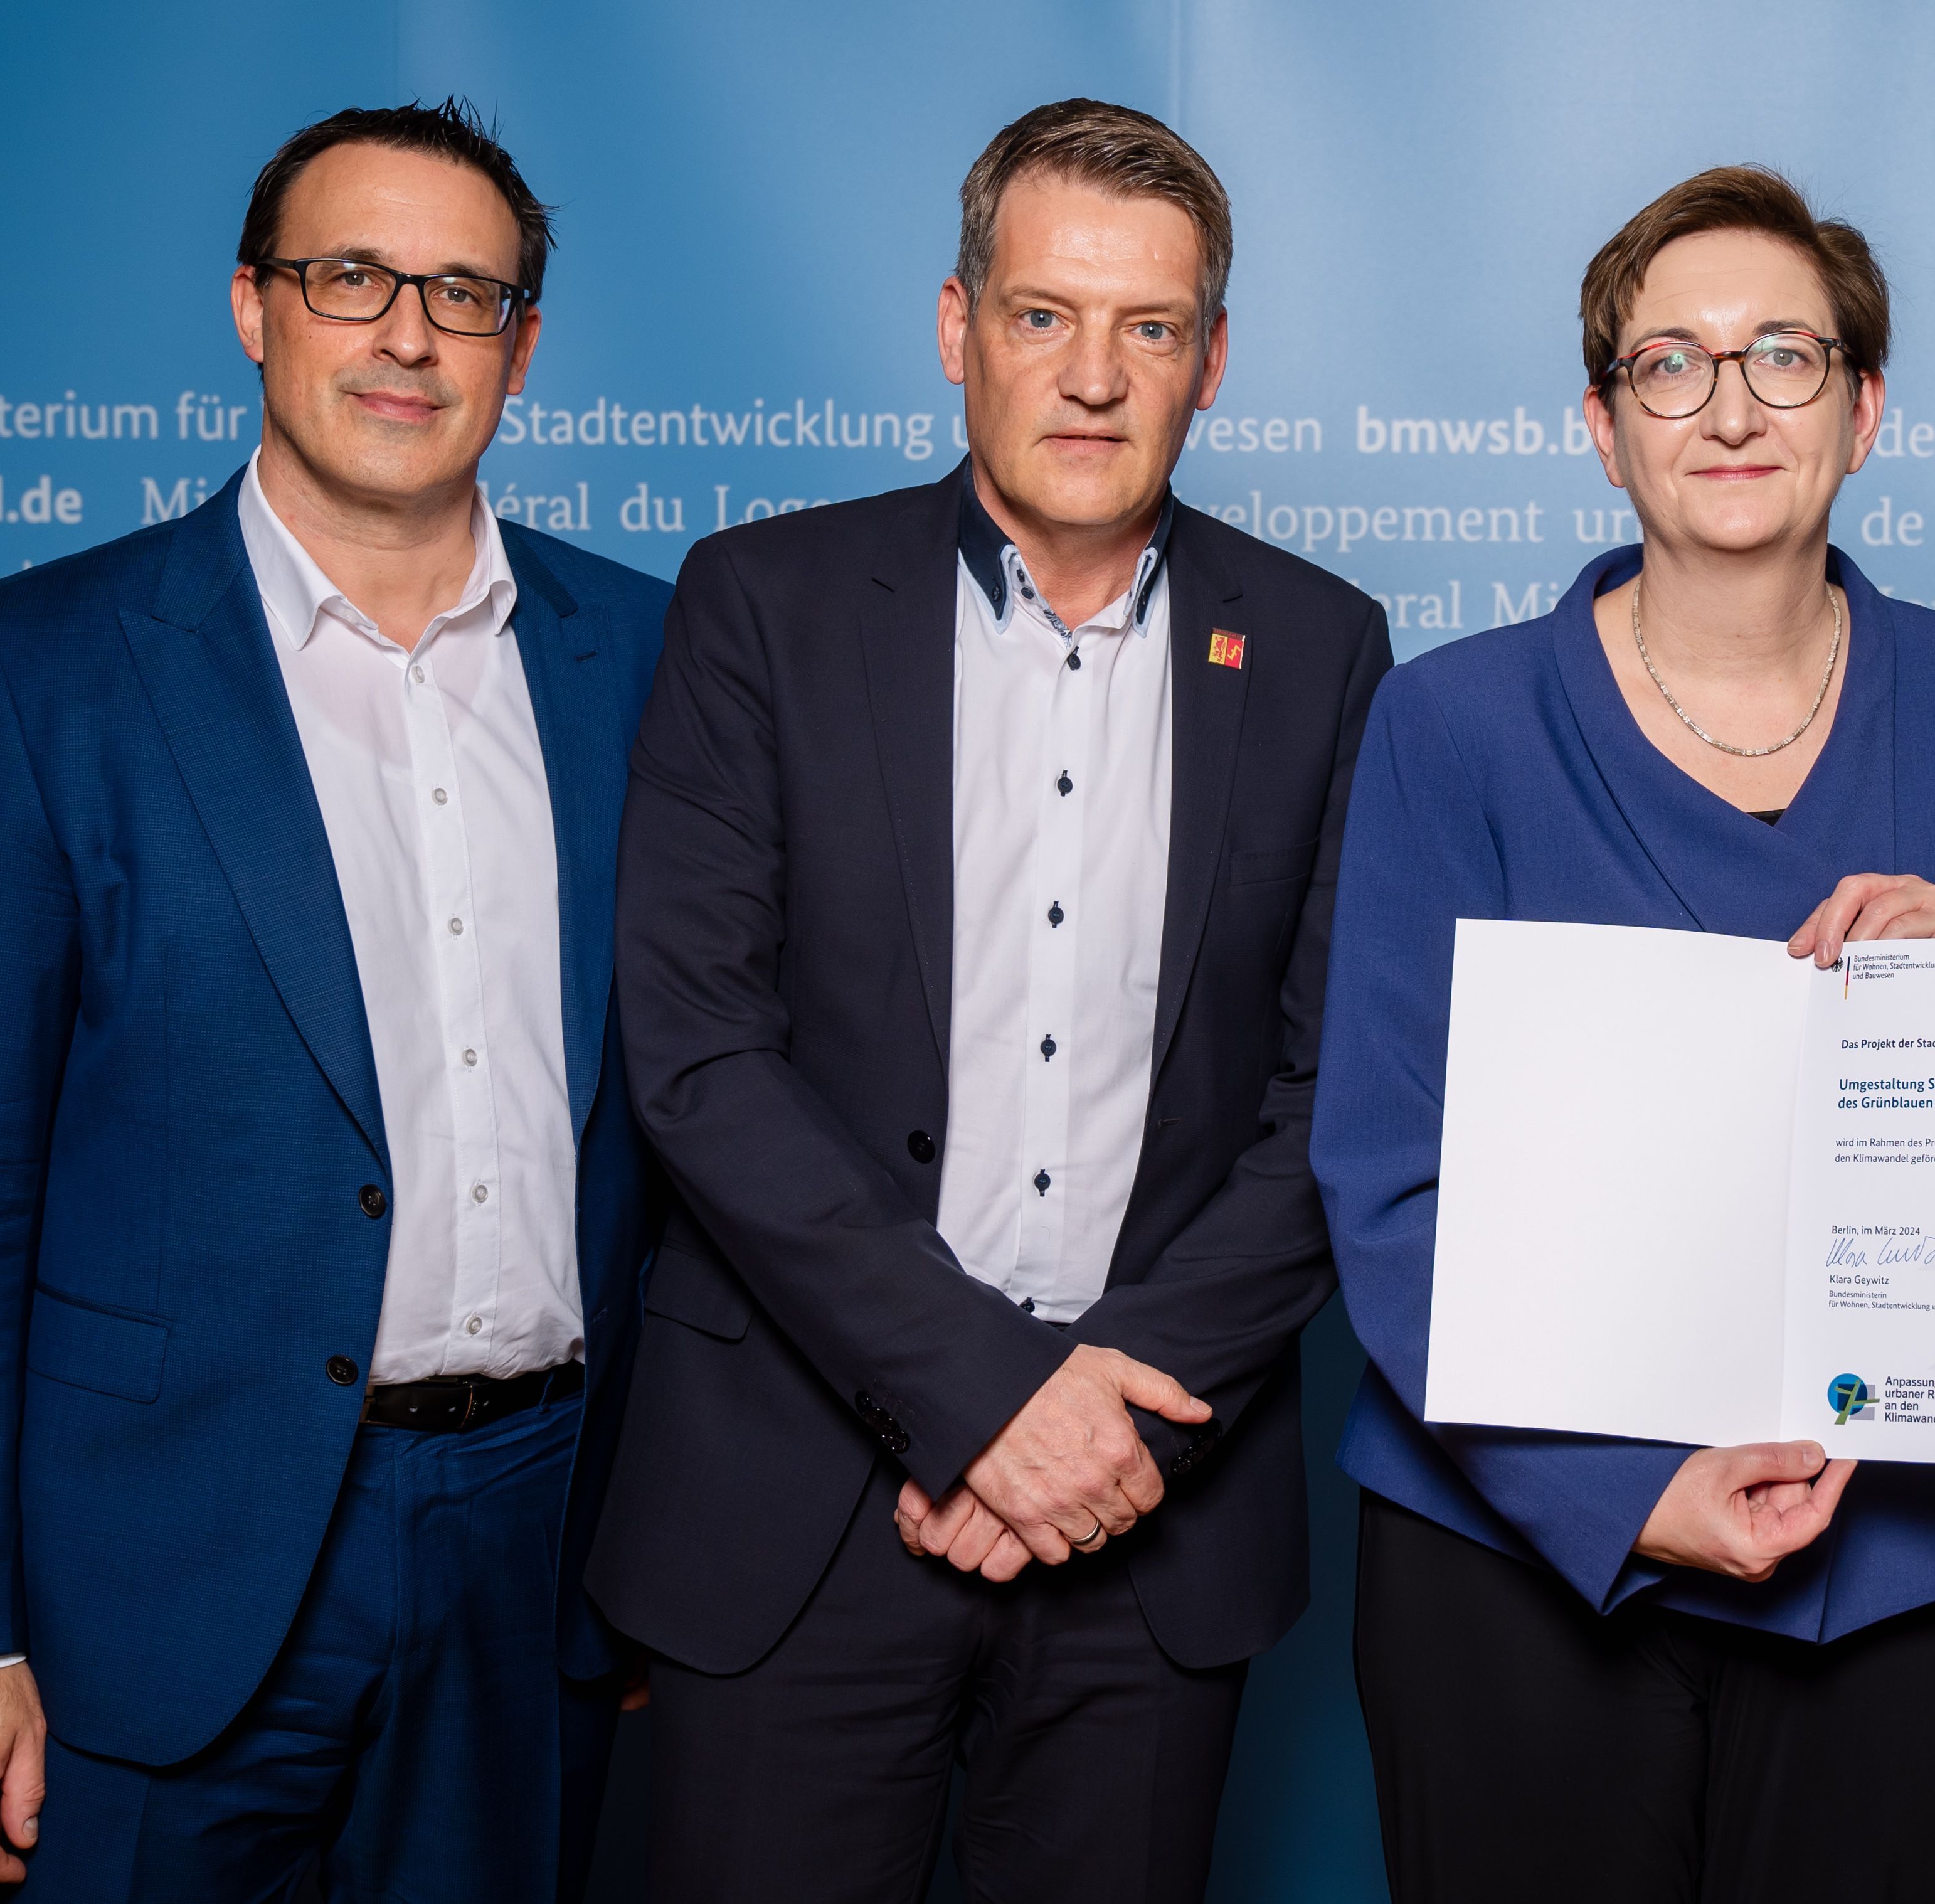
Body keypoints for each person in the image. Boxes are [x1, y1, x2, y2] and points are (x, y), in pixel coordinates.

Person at [1313, 165, 1935, 1904]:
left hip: (1906, 1554)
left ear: (1862, 413)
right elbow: (1383, 1180)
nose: (1728, 407)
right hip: (1516, 1556)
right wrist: (1625, 1486)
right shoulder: (1451, 723)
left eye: (1783, 357)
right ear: (1600, 422)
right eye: (1670, 364)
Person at [0, 100, 671, 1898]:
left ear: (521, 349)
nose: (404, 333)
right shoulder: (38, 669)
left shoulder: (651, 660)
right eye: (351, 274)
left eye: (463, 293)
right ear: (254, 306)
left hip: (534, 1548)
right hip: (159, 1574)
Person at [585, 98, 1391, 1903]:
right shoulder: (762, 606)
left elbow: (1334, 1095)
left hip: (1146, 1501)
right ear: (958, 328)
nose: (1094, 375)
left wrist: (1094, 1408)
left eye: (1149, 328)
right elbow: (700, 1054)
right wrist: (977, 1399)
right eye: (1043, 315)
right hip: (803, 1495)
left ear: (1212, 361)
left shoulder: (1325, 645)